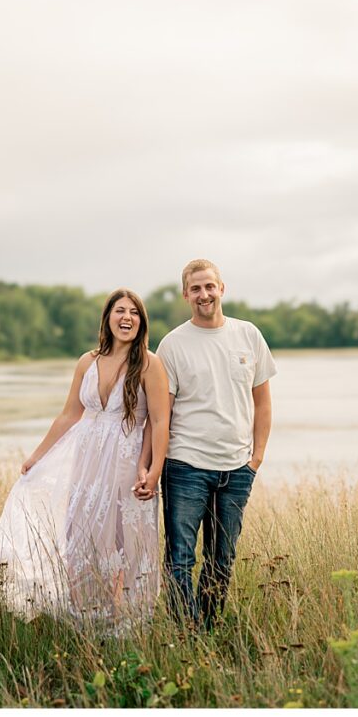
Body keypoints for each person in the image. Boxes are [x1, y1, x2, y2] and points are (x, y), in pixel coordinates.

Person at [0, 289, 170, 628]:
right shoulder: (88, 361)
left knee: (123, 544)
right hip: (85, 464)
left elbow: (158, 421)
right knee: (81, 539)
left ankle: (126, 624)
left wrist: (153, 470)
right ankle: (89, 618)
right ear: (107, 317)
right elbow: (69, 415)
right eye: (120, 311)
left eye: (134, 313)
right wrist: (37, 456)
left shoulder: (150, 364)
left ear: (142, 322)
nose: (126, 318)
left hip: (126, 466)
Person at [157, 259, 275, 628]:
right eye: (195, 289)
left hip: (237, 470)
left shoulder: (248, 335)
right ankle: (186, 634)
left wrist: (254, 460)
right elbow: (164, 413)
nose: (203, 294)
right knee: (180, 559)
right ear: (185, 295)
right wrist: (155, 464)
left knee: (222, 560)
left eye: (209, 286)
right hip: (185, 467)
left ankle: (207, 631)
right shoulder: (173, 345)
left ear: (222, 288)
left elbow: (263, 403)